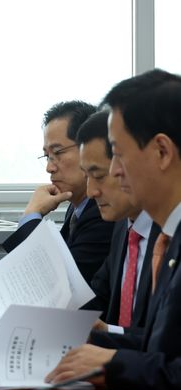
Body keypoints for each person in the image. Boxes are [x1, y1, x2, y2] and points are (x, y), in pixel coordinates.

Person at [46, 69, 181, 390]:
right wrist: (94, 345)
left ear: (161, 152)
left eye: (118, 155)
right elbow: (158, 349)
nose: (114, 171)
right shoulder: (168, 237)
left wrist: (114, 363)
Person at [0, 101, 114, 283]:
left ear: (89, 149)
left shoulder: (103, 212)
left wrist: (31, 215)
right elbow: (58, 267)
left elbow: (58, 283)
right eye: (47, 156)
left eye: (58, 153)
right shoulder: (78, 207)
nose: (49, 168)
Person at [77, 111, 160, 336]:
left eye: (99, 176)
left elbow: (168, 341)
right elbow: (97, 298)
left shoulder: (169, 235)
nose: (90, 192)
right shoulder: (123, 226)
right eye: (86, 177)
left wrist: (109, 333)